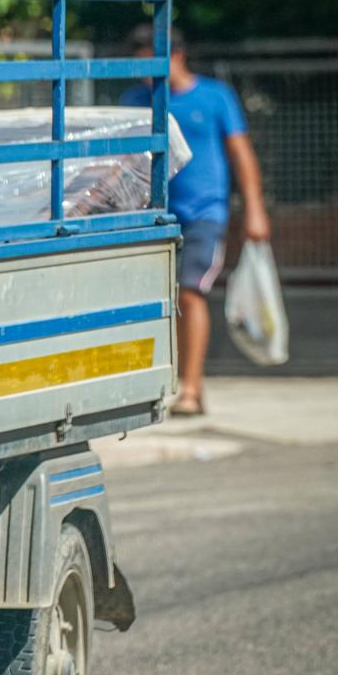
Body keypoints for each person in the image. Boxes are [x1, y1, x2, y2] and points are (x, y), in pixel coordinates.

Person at [122, 25, 272, 415]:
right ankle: (162, 383)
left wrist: (254, 208)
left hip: (204, 214)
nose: (145, 72)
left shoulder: (214, 96)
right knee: (157, 300)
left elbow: (240, 153)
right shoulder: (136, 100)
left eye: (150, 63)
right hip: (153, 217)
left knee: (190, 292)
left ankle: (190, 387)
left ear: (176, 55)